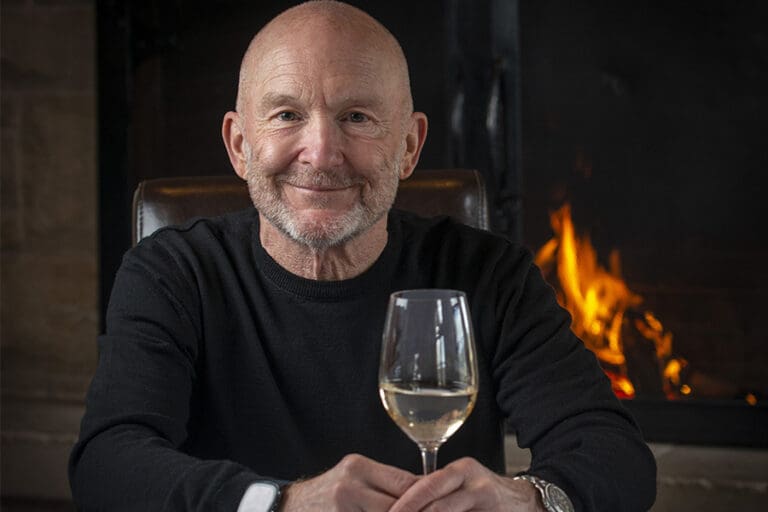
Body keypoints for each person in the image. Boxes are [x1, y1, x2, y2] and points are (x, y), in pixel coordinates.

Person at [69, 1, 656, 511]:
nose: (322, 152)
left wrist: (527, 499)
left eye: (356, 117)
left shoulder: (488, 274)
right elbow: (108, 464)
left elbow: (616, 454)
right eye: (287, 115)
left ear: (409, 145)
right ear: (240, 145)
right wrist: (282, 504)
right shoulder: (171, 274)